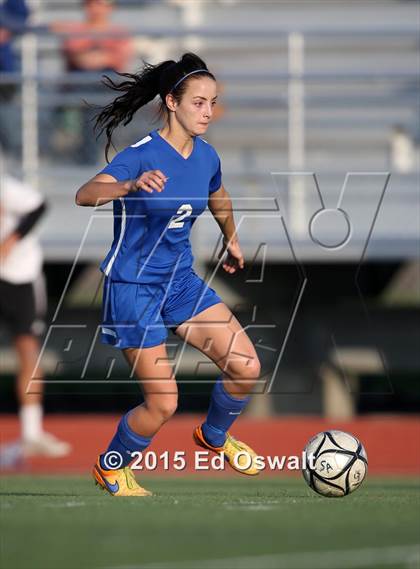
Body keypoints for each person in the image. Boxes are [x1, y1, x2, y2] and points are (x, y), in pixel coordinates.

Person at [75, 52, 261, 497]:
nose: (208, 112)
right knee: (163, 403)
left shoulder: (207, 156)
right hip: (133, 289)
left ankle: (213, 437)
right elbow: (86, 194)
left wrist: (231, 237)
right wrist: (128, 185)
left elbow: (219, 195)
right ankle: (111, 466)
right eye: (199, 102)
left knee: (246, 368)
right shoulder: (141, 155)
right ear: (172, 103)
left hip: (179, 283)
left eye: (213, 102)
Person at [0, 171, 71, 458]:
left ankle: (31, 433)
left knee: (27, 349)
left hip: (19, 276)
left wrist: (11, 241)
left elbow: (38, 206)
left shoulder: (5, 186)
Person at [51, 0, 134, 164]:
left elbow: (119, 59)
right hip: (81, 86)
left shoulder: (119, 32)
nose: (96, 9)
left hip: (105, 86)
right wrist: (101, 54)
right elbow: (77, 57)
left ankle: (89, 157)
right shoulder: (76, 30)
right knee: (89, 95)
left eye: (101, 4)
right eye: (91, 4)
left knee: (99, 90)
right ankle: (88, 157)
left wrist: (94, 55)